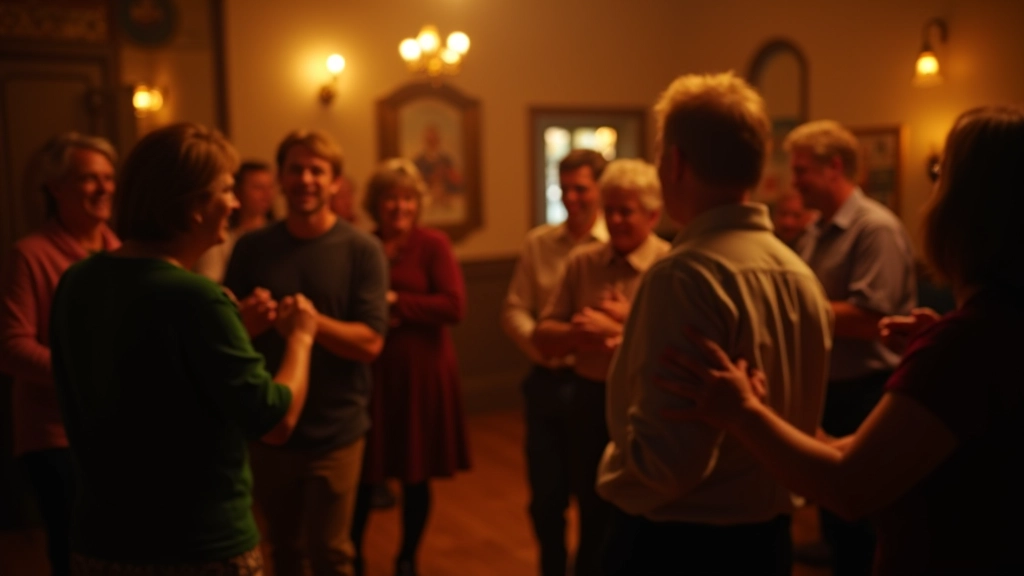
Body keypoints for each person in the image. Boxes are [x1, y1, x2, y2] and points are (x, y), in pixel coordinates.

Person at [660, 104, 1024, 576]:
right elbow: (853, 453)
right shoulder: (984, 331)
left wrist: (743, 412)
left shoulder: (964, 343)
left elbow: (849, 486)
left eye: (940, 180)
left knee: (852, 538)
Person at [47, 122, 317, 573]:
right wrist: (303, 339)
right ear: (193, 207)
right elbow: (276, 420)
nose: (234, 203)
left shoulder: (77, 282)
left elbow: (154, 379)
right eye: (227, 190)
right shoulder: (194, 299)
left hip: (101, 541)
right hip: (197, 546)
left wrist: (232, 329)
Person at [595, 72, 833, 576]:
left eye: (661, 156)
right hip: (767, 542)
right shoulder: (800, 276)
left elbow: (667, 462)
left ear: (675, 162)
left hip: (682, 545)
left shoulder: (685, 275)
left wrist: (612, 473)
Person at [224, 129, 389, 576]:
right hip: (269, 425)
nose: (306, 179)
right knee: (284, 550)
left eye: (318, 170)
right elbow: (227, 335)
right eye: (296, 169)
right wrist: (248, 322)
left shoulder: (362, 250)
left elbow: (371, 343)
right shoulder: (252, 247)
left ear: (335, 181)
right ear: (281, 177)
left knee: (332, 554)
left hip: (337, 430)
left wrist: (309, 324)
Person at [785, 119, 917, 576]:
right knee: (839, 526)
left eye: (801, 170)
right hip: (832, 389)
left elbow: (871, 320)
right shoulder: (815, 231)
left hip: (869, 391)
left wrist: (797, 308)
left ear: (834, 167)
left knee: (867, 529)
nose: (794, 181)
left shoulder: (874, 229)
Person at [532, 158, 669, 576]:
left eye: (625, 211)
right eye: (609, 210)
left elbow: (677, 351)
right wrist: (580, 334)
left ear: (652, 214)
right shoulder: (583, 262)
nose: (615, 220)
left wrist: (627, 326)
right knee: (592, 510)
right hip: (591, 402)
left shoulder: (671, 266)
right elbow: (543, 335)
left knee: (646, 517)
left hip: (647, 407)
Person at [0, 132, 120, 576]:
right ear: (56, 187)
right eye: (90, 179)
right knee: (74, 552)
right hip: (55, 437)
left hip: (115, 430)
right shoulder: (30, 255)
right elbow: (12, 348)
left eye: (109, 178)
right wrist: (88, 375)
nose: (104, 188)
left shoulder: (120, 250)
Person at [349, 158, 470, 576]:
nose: (399, 207)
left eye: (406, 199)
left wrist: (397, 303)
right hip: (373, 375)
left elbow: (453, 306)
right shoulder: (361, 244)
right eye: (389, 199)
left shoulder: (434, 244)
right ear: (375, 204)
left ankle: (406, 559)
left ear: (417, 203)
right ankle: (355, 558)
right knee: (365, 473)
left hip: (422, 375)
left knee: (417, 473)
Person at [500, 149, 608, 576]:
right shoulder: (540, 243)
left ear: (599, 190)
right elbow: (513, 310)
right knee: (546, 498)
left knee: (594, 496)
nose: (572, 198)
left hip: (594, 387)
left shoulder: (615, 244)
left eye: (581, 188)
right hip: (546, 383)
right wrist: (544, 346)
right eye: (565, 189)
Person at [195, 160, 276, 282]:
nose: (267, 194)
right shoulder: (220, 237)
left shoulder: (279, 235)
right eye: (258, 187)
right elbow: (209, 282)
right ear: (238, 191)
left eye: (270, 187)